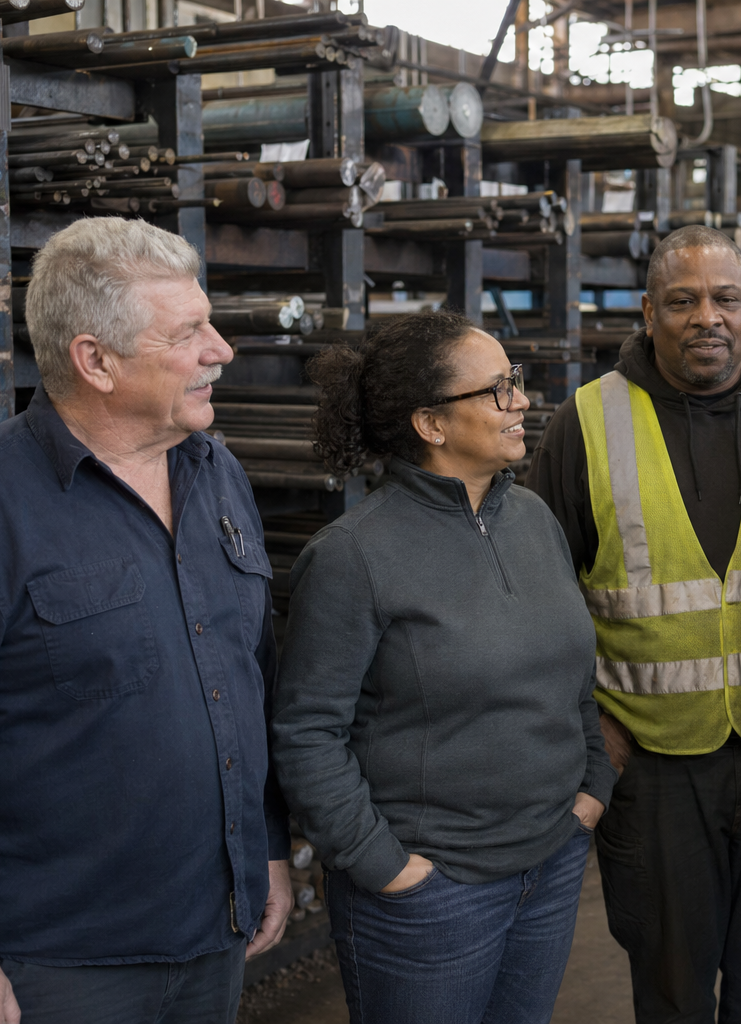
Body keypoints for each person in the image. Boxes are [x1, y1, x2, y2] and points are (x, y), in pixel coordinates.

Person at [0, 217, 291, 1024]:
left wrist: (264, 845)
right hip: (54, 964)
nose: (222, 350)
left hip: (214, 932)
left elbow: (244, 679)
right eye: (189, 332)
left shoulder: (216, 472)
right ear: (94, 360)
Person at [525, 224, 741, 1023]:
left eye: (725, 298)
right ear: (648, 311)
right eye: (682, 300)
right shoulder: (586, 422)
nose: (705, 317)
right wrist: (589, 728)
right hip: (655, 763)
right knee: (671, 986)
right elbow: (541, 596)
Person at [270, 310, 616, 1024]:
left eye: (515, 382)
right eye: (497, 390)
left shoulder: (536, 521)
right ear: (431, 423)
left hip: (549, 862)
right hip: (435, 894)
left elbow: (573, 677)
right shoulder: (353, 556)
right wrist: (384, 866)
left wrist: (592, 787)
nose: (522, 400)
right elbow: (306, 732)